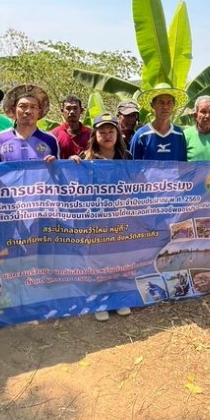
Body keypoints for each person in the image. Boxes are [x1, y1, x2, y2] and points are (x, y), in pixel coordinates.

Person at [70, 113, 132, 321]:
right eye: (102, 132)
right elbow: (74, 186)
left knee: (119, 259)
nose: (107, 136)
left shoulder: (128, 158)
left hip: (120, 218)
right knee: (97, 261)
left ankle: (118, 299)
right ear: (95, 135)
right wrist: (72, 164)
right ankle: (98, 301)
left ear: (118, 134)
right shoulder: (85, 159)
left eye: (111, 131)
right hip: (95, 221)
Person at [0, 84, 58, 163]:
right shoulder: (0, 139)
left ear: (39, 112)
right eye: (23, 106)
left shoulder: (50, 140)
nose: (28, 111)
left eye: (33, 107)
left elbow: (58, 171)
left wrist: (54, 163)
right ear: (13, 110)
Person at [129, 83, 189, 161]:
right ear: (152, 105)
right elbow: (133, 168)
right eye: (161, 102)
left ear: (174, 105)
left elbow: (183, 165)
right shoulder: (141, 135)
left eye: (169, 102)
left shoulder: (179, 134)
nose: (165, 107)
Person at [51, 95, 91, 159]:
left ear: (81, 110)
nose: (72, 112)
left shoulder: (91, 135)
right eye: (68, 108)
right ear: (62, 111)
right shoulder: (54, 135)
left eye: (75, 108)